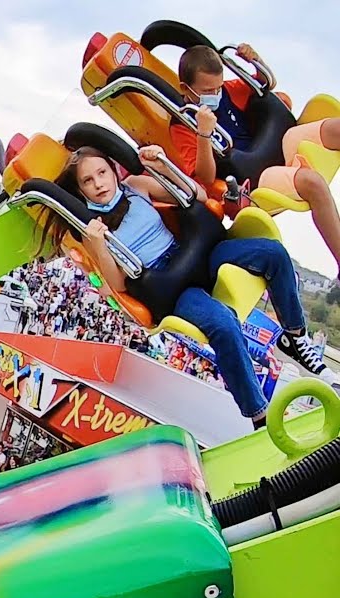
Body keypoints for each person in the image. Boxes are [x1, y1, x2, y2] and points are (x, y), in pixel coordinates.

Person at [40, 144, 339, 428]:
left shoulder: (136, 186)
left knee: (272, 253)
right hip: (171, 283)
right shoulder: (91, 228)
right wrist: (98, 244)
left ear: (112, 169)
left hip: (194, 254)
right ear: (80, 190)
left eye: (102, 172)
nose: (99, 183)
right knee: (222, 323)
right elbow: (118, 283)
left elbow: (197, 194)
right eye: (88, 180)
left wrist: (162, 166)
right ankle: (259, 414)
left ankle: (295, 337)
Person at [170, 44, 340, 279]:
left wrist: (255, 61)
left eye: (218, 87)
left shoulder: (227, 92)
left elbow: (265, 83)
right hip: (258, 176)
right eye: (208, 90)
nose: (215, 94)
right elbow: (206, 177)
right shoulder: (182, 125)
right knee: (313, 183)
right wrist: (203, 134)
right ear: (185, 89)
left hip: (279, 144)